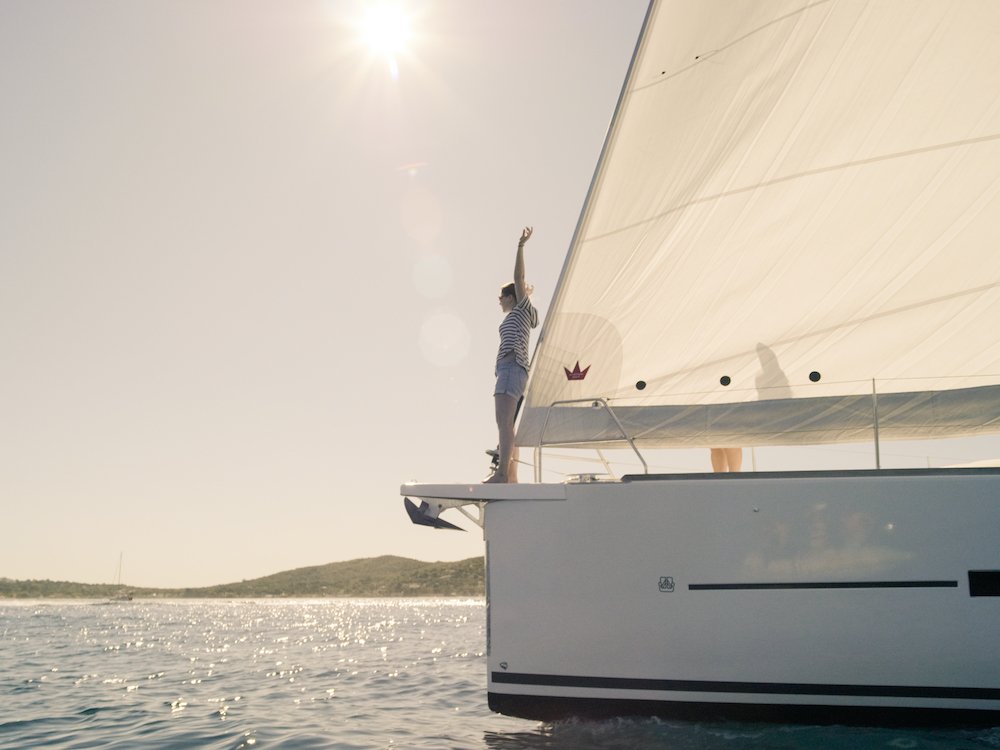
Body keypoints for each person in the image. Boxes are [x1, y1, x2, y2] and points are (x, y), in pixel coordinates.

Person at [486, 226, 538, 483]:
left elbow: (519, 277)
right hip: (510, 371)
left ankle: (503, 474)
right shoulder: (517, 315)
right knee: (508, 426)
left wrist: (520, 246)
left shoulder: (522, 309)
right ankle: (511, 477)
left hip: (512, 369)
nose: (499, 300)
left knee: (504, 424)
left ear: (511, 297)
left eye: (501, 296)